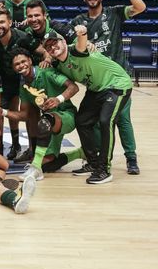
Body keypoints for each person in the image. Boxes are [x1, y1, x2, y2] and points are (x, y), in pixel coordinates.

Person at [70, 0, 145, 175]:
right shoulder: (78, 22)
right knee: (92, 121)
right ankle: (95, 159)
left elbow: (140, 6)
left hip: (118, 79)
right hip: (96, 81)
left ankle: (131, 158)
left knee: (122, 119)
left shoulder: (114, 13)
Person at [43, 27, 132, 184]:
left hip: (116, 84)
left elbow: (81, 44)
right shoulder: (58, 64)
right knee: (82, 120)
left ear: (63, 41)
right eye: (48, 46)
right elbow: (71, 86)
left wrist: (82, 33)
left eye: (54, 43)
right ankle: (92, 162)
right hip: (96, 89)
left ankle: (104, 169)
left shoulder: (76, 51)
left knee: (106, 121)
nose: (52, 47)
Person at [0, 48, 82, 181]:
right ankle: (79, 153)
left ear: (30, 61)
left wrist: (58, 99)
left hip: (66, 115)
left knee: (44, 121)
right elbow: (24, 115)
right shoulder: (24, 86)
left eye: (23, 61)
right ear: (14, 68)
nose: (21, 65)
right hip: (48, 122)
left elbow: (73, 87)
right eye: (17, 64)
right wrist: (3, 112)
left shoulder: (47, 72)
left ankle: (35, 168)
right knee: (49, 164)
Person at [0, 8, 51, 161]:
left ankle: (32, 150)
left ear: (9, 22)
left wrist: (47, 60)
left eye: (2, 22)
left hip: (24, 79)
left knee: (31, 114)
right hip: (3, 80)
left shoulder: (22, 37)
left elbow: (44, 52)